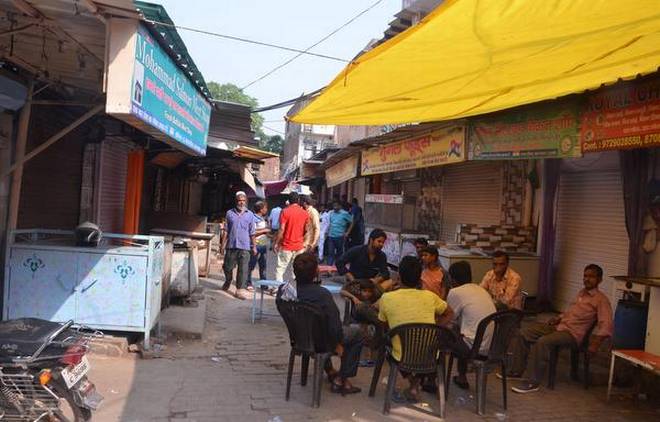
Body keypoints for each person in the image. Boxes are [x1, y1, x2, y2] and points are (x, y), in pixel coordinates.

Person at [509, 264, 613, 394]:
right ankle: (516, 371)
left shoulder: (601, 300)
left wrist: (595, 344)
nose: (587, 279)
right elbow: (570, 311)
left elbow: (606, 325)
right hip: (560, 327)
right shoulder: (581, 293)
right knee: (524, 333)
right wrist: (558, 317)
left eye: (591, 276)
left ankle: (532, 382)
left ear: (600, 279)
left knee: (543, 342)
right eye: (585, 276)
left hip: (572, 334)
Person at [377, 256, 454, 403]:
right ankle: (415, 384)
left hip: (402, 354)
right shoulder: (431, 297)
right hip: (430, 354)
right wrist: (437, 328)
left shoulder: (387, 298)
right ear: (420, 277)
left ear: (399, 276)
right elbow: (450, 313)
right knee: (423, 349)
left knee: (390, 346)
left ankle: (413, 383)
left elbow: (383, 326)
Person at [287, 253, 364, 395]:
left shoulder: (288, 290)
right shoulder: (322, 295)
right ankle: (342, 379)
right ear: (315, 271)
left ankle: (330, 370)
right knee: (357, 333)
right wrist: (338, 343)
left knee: (321, 329)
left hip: (300, 338)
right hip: (321, 342)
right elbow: (335, 327)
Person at [446, 261, 497, 390]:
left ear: (452, 278)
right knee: (462, 332)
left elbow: (448, 320)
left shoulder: (455, 292)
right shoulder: (481, 290)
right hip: (489, 347)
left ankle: (431, 380)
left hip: (471, 347)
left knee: (437, 336)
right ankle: (462, 378)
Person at [220, 191, 256, 300]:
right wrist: (222, 244)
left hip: (245, 246)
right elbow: (226, 230)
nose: (241, 202)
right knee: (227, 266)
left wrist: (254, 246)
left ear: (246, 201)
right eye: (239, 200)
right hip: (231, 245)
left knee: (243, 269)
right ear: (236, 201)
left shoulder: (250, 215)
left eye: (243, 200)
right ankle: (228, 280)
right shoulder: (229, 213)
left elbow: (252, 232)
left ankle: (240, 290)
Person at [336, 228, 392, 293]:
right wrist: (350, 277)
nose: (381, 244)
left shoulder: (382, 256)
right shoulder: (357, 250)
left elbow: (385, 273)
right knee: (353, 292)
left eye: (383, 242)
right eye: (379, 241)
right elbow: (339, 262)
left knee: (389, 282)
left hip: (370, 284)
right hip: (355, 282)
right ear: (371, 240)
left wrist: (377, 280)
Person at [273, 192, 310, 282]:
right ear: (298, 200)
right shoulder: (305, 213)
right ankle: (297, 291)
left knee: (280, 269)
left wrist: (276, 243)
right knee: (297, 270)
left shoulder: (285, 211)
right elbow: (307, 230)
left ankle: (278, 290)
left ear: (288, 201)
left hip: (286, 245)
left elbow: (281, 229)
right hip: (299, 246)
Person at [247, 201, 271, 289]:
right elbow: (252, 232)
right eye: (265, 208)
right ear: (261, 209)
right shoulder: (253, 219)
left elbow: (265, 232)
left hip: (263, 246)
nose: (266, 210)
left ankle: (263, 284)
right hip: (255, 245)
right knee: (251, 265)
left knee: (263, 266)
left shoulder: (262, 218)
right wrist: (264, 231)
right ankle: (248, 282)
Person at [327, 200, 353, 265]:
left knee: (339, 253)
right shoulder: (331, 213)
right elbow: (330, 223)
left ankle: (339, 268)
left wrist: (347, 232)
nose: (335, 207)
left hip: (340, 236)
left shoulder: (345, 214)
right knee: (330, 253)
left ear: (340, 206)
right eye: (334, 206)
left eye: (336, 206)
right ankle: (329, 270)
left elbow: (352, 222)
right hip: (331, 236)